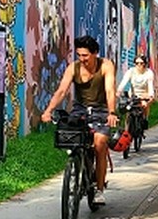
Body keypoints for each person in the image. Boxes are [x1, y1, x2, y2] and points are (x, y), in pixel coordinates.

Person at [41, 35, 118, 204]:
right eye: (79, 55)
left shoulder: (105, 65)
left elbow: (110, 91)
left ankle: (99, 189)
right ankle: (77, 165)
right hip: (80, 110)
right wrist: (48, 111)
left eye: (86, 55)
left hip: (101, 110)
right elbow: (61, 91)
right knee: (72, 138)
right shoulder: (73, 68)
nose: (82, 59)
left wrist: (112, 112)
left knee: (99, 143)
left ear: (95, 53)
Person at [116, 55, 155, 126]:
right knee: (129, 110)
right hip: (133, 94)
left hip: (144, 94)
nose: (139, 65)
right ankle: (127, 130)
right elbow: (124, 82)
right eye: (137, 63)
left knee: (144, 105)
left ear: (145, 64)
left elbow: (150, 86)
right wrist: (118, 91)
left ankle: (145, 120)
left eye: (141, 63)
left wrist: (151, 96)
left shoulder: (149, 73)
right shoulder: (131, 71)